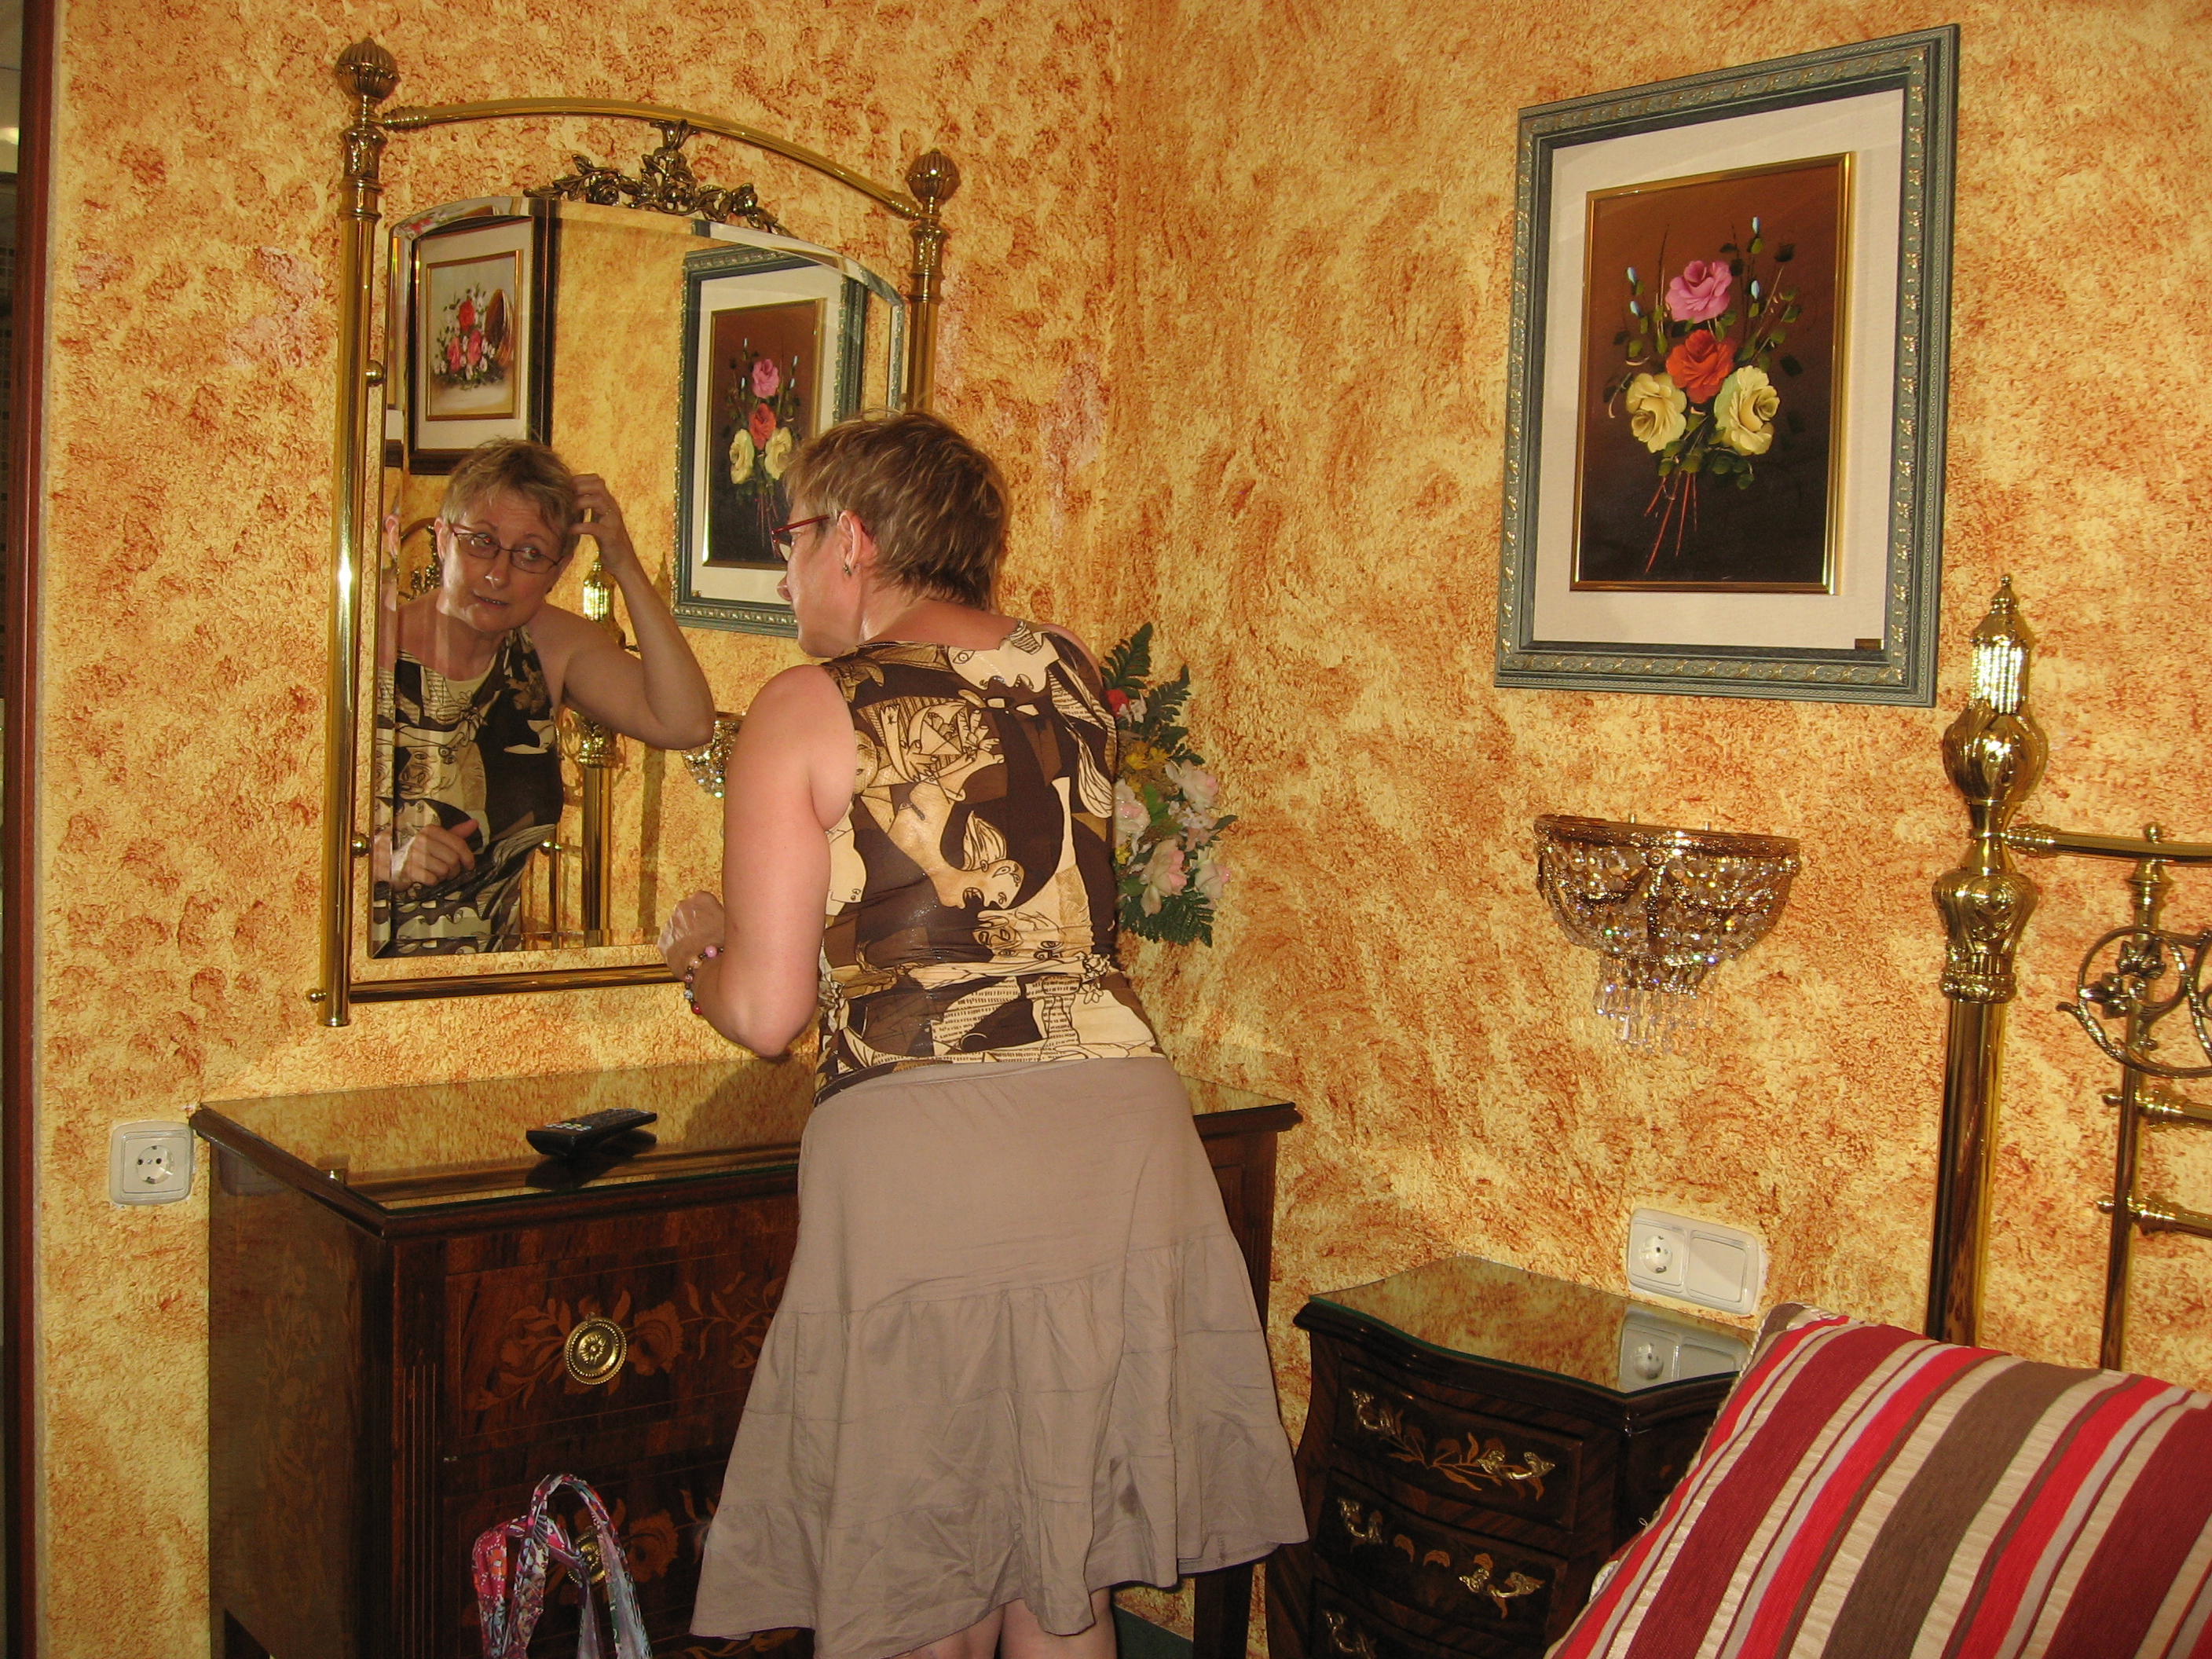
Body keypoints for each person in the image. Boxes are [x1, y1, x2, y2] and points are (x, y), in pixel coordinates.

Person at [660, 411, 1305, 1659]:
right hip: (1119, 1138)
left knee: (921, 1585)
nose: (786, 574)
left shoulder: (804, 707)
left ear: (853, 541)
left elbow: (766, 1012)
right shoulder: (1065, 667)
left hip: (935, 1157)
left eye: (792, 539)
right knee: (1060, 1573)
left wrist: (700, 955)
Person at [372, 439, 716, 954]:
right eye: (481, 541)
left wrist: (624, 563)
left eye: (530, 554)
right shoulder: (372, 649)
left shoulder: (550, 647)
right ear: (442, 538)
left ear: (558, 570)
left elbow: (687, 723)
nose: (499, 574)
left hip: (488, 983)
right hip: (359, 978)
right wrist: (384, 860)